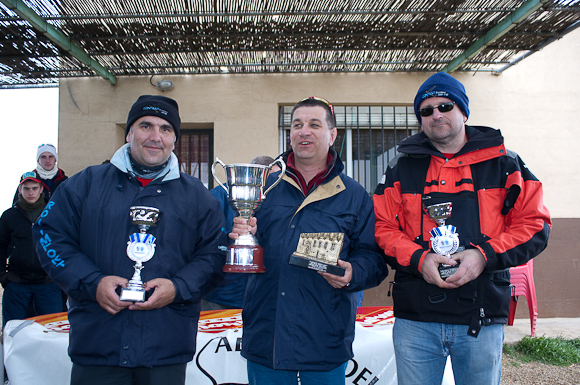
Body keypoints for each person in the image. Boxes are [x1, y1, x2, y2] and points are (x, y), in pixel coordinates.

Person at [33, 95, 227, 385]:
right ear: (129, 133)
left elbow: (214, 254)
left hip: (165, 348)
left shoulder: (198, 196)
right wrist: (93, 282)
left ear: (175, 139)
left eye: (165, 129)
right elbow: (49, 235)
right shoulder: (85, 184)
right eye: (145, 125)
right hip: (98, 345)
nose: (155, 137)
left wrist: (178, 288)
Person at [373, 72, 551, 385]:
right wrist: (419, 259)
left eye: (445, 106)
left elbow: (535, 224)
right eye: (426, 111)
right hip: (416, 319)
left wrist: (484, 255)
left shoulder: (505, 163)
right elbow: (382, 227)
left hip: (481, 318)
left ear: (464, 111)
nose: (436, 114)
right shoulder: (401, 168)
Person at [230, 97, 388, 384]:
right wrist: (242, 234)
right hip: (268, 339)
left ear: (332, 134)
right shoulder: (263, 188)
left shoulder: (354, 196)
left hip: (325, 341)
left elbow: (374, 258)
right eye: (297, 125)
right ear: (289, 134)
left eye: (314, 125)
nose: (304, 131)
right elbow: (236, 248)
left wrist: (353, 273)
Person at [201, 155, 279, 311]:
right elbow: (203, 239)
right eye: (268, 178)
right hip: (220, 296)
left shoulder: (280, 202)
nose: (270, 185)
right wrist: (232, 237)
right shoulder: (222, 195)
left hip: (264, 299)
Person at [0, 171, 63, 325]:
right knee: (14, 332)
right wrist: (3, 276)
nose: (30, 192)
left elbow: (65, 245)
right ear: (20, 190)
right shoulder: (9, 216)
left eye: (34, 188)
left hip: (48, 285)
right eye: (26, 188)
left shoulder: (54, 214)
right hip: (16, 284)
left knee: (51, 333)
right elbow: (1, 247)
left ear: (41, 189)